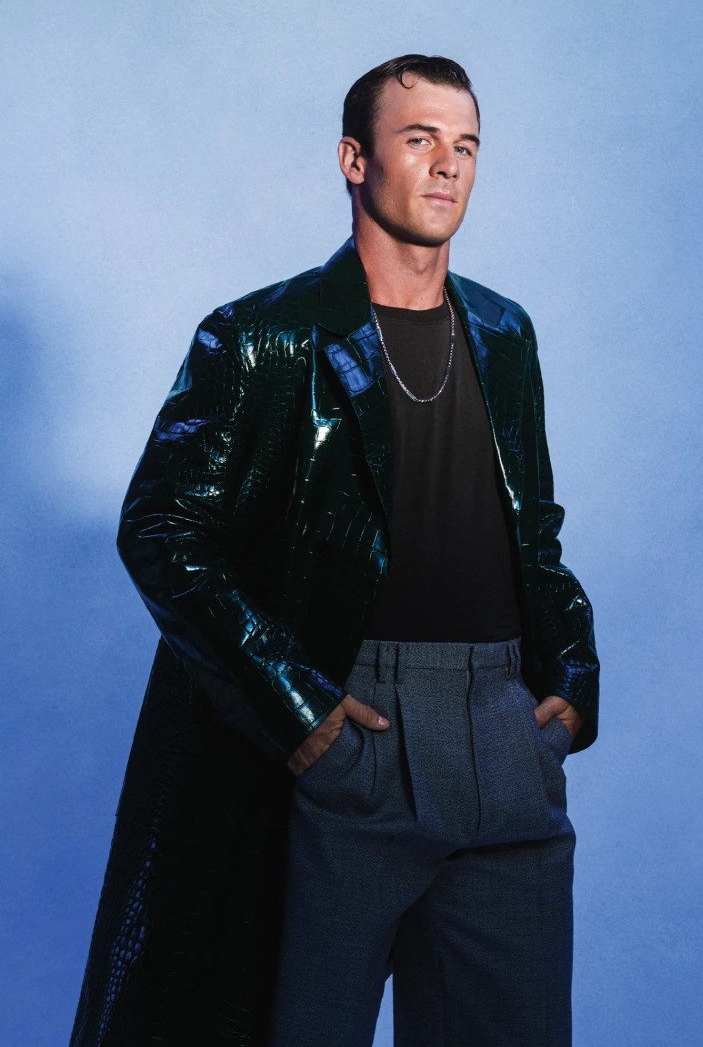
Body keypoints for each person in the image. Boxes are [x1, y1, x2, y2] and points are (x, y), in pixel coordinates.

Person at [69, 54, 599, 1047]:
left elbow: (535, 527)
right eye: (419, 139)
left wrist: (569, 678)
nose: (446, 165)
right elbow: (162, 528)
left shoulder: (503, 332)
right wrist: (297, 705)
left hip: (504, 736)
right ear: (355, 161)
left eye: (465, 145)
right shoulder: (263, 337)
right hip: (351, 726)